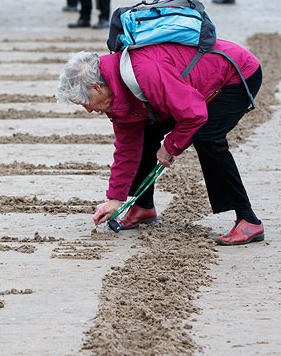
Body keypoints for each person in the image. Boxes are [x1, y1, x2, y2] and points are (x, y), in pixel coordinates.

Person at [55, 42, 265, 246]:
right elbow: (127, 148)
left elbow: (194, 115)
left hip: (235, 74)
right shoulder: (115, 96)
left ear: (97, 88)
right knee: (146, 133)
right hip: (187, 89)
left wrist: (170, 146)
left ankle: (248, 220)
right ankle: (143, 206)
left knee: (207, 137)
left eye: (85, 103)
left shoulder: (145, 72)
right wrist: (115, 199)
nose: (89, 110)